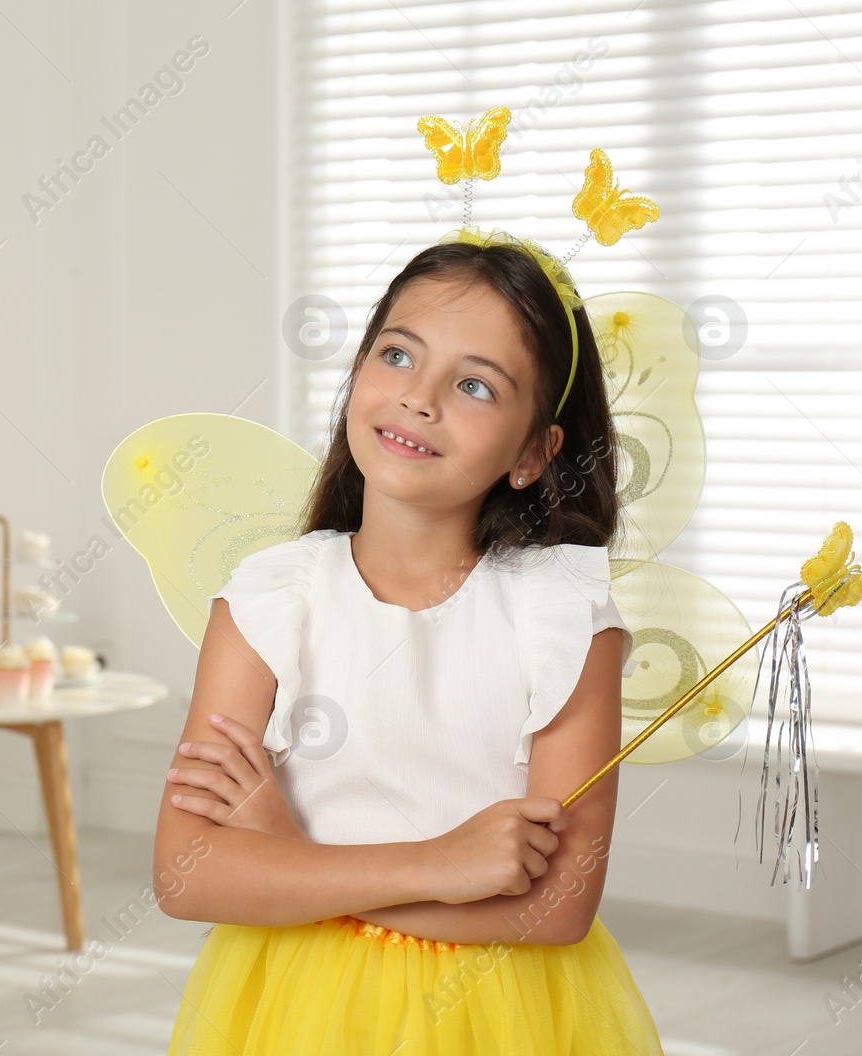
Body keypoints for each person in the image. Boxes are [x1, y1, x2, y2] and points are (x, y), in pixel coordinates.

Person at [156, 236, 665, 1054]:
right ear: (357, 371)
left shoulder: (563, 619)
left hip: (502, 1016)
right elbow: (186, 875)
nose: (419, 398)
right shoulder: (270, 599)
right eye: (397, 354)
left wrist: (292, 861)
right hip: (293, 1008)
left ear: (535, 452)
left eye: (474, 385)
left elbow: (559, 908)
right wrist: (439, 865)